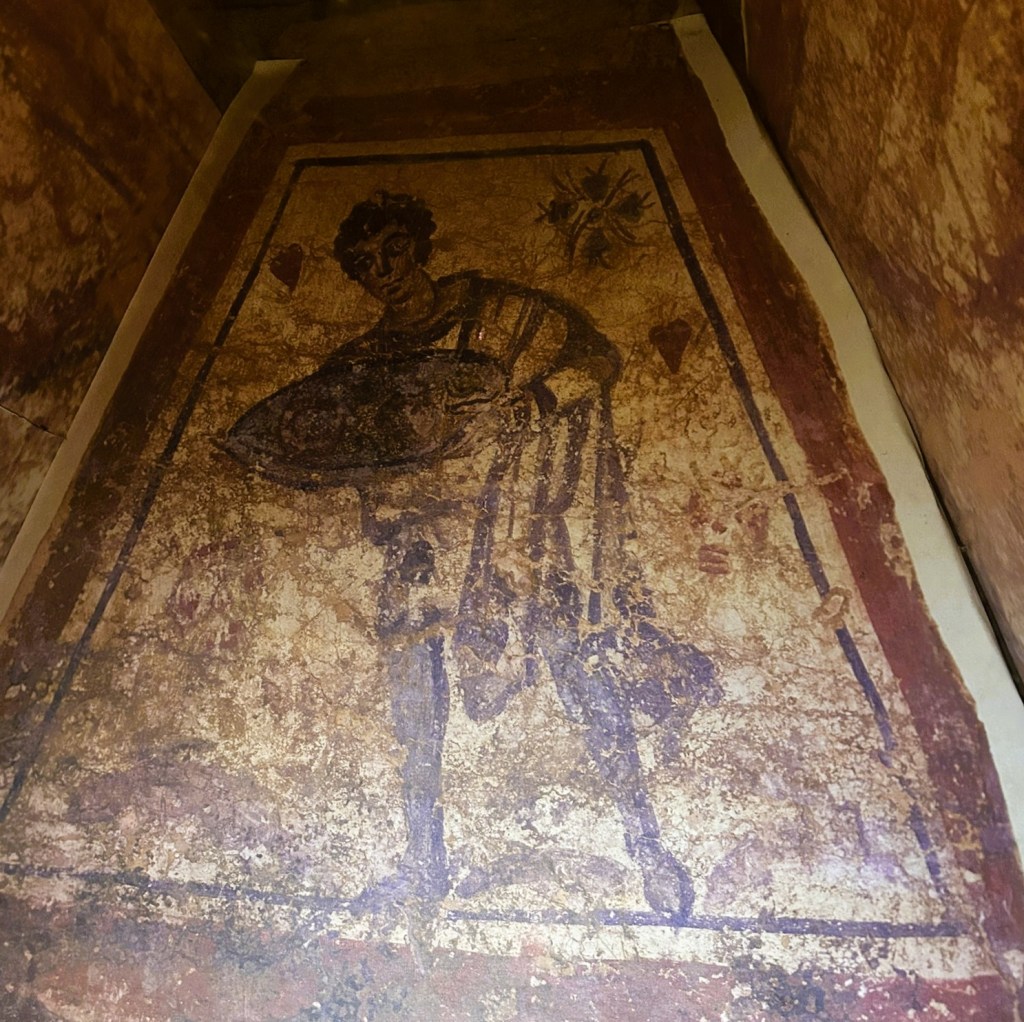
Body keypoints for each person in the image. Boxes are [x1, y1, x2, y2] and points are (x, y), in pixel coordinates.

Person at [225, 191, 720, 924]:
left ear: (421, 245)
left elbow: (597, 358)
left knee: (580, 674)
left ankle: (647, 848)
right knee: (415, 711)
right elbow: (350, 454)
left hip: (517, 530)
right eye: (365, 265)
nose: (383, 272)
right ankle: (424, 866)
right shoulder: (359, 362)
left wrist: (532, 406)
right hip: (422, 545)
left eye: (394, 250)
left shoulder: (503, 312)